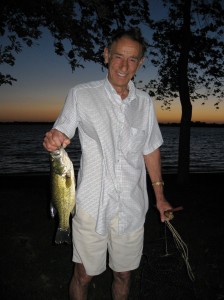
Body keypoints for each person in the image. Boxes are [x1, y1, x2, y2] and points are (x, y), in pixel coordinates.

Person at [43, 27, 173, 300]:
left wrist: (160, 197)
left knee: (124, 275)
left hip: (132, 207)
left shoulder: (145, 104)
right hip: (92, 204)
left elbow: (150, 149)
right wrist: (55, 139)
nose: (124, 66)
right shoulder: (81, 94)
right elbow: (63, 131)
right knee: (83, 275)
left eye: (133, 59)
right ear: (106, 55)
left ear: (141, 62)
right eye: (118, 57)